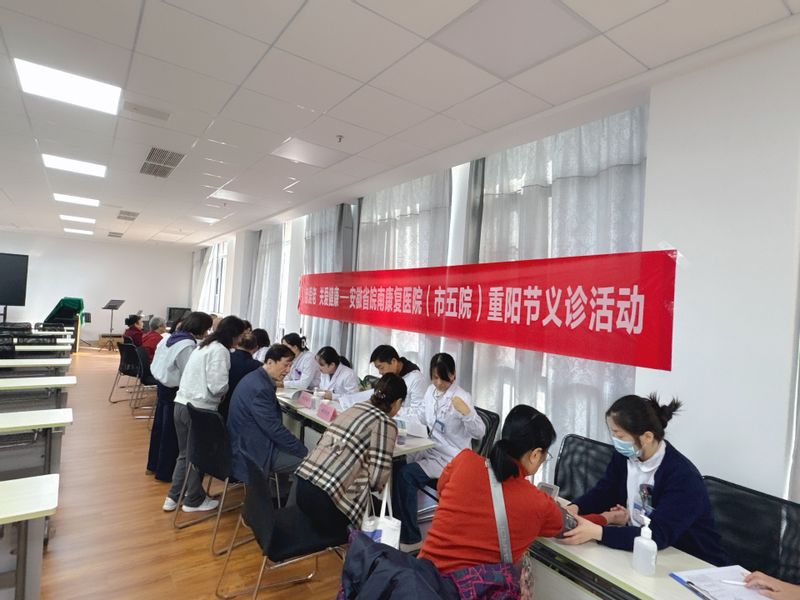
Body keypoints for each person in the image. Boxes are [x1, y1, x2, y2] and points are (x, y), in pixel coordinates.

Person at [561, 394, 728, 566]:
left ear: (647, 437)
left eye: (619, 435)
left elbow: (658, 534)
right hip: (643, 548)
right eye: (612, 433)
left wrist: (598, 532)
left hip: (693, 561)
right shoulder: (626, 456)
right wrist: (575, 507)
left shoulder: (683, 477)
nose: (615, 441)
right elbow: (605, 491)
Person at [418, 405, 564, 584]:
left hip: (419, 581)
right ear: (535, 454)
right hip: (469, 592)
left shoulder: (464, 460)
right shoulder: (538, 503)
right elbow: (561, 525)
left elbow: (442, 489)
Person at [295, 374, 406, 542]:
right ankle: (378, 552)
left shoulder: (356, 407)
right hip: (327, 503)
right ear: (397, 402)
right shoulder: (386, 423)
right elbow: (377, 480)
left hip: (302, 489)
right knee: (383, 511)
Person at [393, 353, 486, 551]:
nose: (438, 383)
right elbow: (420, 416)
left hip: (452, 458)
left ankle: (411, 539)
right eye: (434, 377)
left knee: (406, 475)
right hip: (430, 449)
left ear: (453, 374)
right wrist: (397, 415)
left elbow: (480, 432)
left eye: (443, 378)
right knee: (396, 466)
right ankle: (397, 526)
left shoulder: (462, 397)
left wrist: (467, 413)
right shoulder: (430, 391)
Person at [163, 316, 246, 513]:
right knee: (198, 456)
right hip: (200, 409)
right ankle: (193, 499)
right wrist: (225, 391)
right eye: (241, 335)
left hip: (181, 404)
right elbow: (217, 387)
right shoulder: (220, 351)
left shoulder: (203, 346)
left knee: (185, 454)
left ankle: (173, 496)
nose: (242, 339)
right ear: (234, 335)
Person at [227, 344, 307, 486]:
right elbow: (274, 429)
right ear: (270, 362)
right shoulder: (261, 388)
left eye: (290, 366)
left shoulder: (256, 378)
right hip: (252, 450)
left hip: (245, 441)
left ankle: (278, 494)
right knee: (307, 464)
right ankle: (287, 499)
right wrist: (304, 451)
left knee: (292, 449)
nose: (288, 370)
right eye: (285, 365)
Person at [148, 312, 213, 483]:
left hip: (162, 386)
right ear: (200, 328)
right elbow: (188, 373)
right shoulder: (187, 345)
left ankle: (154, 465)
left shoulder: (169, 337)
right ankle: (166, 472)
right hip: (174, 390)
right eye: (207, 329)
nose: (207, 333)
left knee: (159, 429)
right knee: (170, 434)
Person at [370, 345, 427, 421]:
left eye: (381, 367)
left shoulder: (416, 379)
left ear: (394, 361)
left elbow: (419, 413)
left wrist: (389, 409)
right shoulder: (390, 378)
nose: (380, 372)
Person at [217, 333, 262, 421]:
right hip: (244, 410)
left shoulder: (227, 357)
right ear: (256, 348)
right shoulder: (257, 366)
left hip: (222, 405)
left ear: (237, 344)